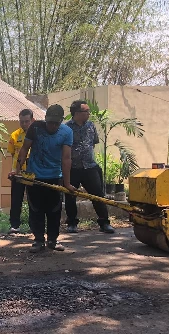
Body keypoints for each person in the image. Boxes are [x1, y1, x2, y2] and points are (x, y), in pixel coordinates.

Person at [10, 104, 74, 253]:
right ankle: (38, 240)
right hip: (34, 176)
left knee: (54, 211)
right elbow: (24, 149)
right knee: (36, 210)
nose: (52, 126)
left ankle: (53, 240)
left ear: (61, 121)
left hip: (55, 176)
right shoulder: (36, 128)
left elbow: (66, 158)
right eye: (50, 122)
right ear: (45, 119)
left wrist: (67, 183)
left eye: (56, 123)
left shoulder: (67, 132)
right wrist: (17, 171)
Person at [64, 100, 114, 234]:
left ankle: (104, 223)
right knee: (70, 196)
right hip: (73, 168)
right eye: (86, 111)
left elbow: (92, 144)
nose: (89, 113)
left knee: (98, 195)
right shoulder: (66, 128)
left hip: (89, 167)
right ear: (77, 113)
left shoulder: (91, 126)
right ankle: (72, 223)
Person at [7, 109, 35, 234]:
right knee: (16, 199)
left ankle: (34, 226)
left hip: (32, 172)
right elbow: (12, 154)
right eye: (21, 121)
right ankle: (15, 225)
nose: (24, 124)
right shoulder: (14, 135)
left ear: (32, 120)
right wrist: (14, 170)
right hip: (17, 173)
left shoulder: (38, 135)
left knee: (33, 200)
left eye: (27, 121)